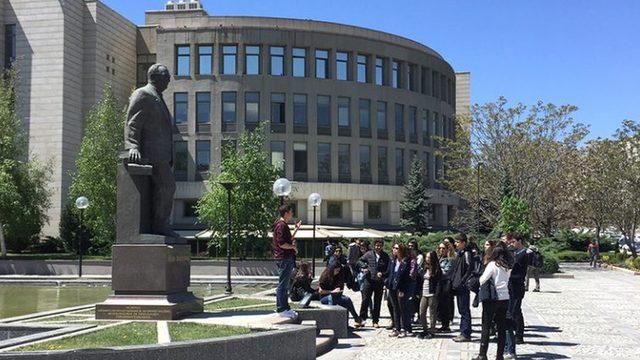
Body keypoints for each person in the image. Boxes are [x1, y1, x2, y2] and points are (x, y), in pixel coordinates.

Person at [124, 64, 178, 237]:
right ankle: (160, 226)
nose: (169, 81)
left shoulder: (158, 97)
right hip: (151, 154)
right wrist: (132, 146)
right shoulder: (143, 94)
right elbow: (132, 123)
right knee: (168, 186)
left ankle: (159, 226)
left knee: (166, 188)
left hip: (161, 156)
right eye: (166, 77)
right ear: (155, 77)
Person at [472, 246, 512, 360]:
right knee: (501, 328)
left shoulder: (492, 265)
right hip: (504, 298)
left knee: (486, 326)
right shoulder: (507, 266)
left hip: (493, 298)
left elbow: (482, 279)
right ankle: (499, 356)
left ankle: (482, 354)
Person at [272, 205, 302, 318]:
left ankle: (285, 307)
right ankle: (281, 309)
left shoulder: (282, 225)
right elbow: (281, 243)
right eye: (291, 212)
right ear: (286, 213)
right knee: (283, 285)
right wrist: (293, 248)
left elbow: (286, 240)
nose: (292, 214)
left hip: (285, 257)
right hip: (284, 258)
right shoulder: (281, 225)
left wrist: (295, 231)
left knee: (285, 284)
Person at [504, 232, 528, 358]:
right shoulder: (514, 252)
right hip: (510, 287)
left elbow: (513, 266)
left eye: (513, 242)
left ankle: (511, 349)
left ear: (519, 241)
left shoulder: (523, 253)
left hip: (516, 288)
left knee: (511, 317)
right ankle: (507, 346)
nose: (511, 244)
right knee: (510, 315)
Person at [318, 262, 364, 328]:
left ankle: (346, 325)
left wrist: (339, 291)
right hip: (324, 297)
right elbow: (321, 291)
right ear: (332, 269)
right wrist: (332, 291)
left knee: (346, 303)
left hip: (335, 296)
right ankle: (356, 318)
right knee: (347, 300)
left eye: (339, 270)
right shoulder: (325, 276)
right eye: (336, 270)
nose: (338, 272)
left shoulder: (338, 276)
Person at [357, 238, 390, 328]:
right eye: (376, 245)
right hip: (368, 280)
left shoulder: (385, 256)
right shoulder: (369, 254)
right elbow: (359, 261)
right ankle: (362, 319)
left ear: (382, 246)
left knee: (377, 302)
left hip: (379, 282)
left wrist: (382, 274)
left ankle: (375, 320)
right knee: (365, 300)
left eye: (379, 245)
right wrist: (364, 267)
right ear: (374, 246)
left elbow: (388, 269)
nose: (378, 247)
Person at [386, 243, 416, 337]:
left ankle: (406, 329)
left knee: (403, 309)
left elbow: (406, 277)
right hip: (392, 287)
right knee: (395, 309)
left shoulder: (405, 262)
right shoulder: (392, 260)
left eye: (397, 248)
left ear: (401, 250)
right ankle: (397, 328)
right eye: (394, 248)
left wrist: (402, 290)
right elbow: (389, 273)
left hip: (401, 288)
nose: (395, 250)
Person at [451, 233, 475, 342]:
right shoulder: (460, 253)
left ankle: (466, 333)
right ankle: (463, 331)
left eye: (458, 242)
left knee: (464, 310)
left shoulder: (467, 253)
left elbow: (470, 268)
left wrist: (463, 281)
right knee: (461, 310)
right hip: (458, 286)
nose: (456, 244)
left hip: (463, 286)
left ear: (464, 243)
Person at [418, 251, 441, 339]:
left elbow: (439, 283)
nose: (427, 259)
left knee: (432, 313)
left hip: (432, 293)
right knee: (422, 312)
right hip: (424, 293)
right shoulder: (424, 268)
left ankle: (432, 330)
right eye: (426, 257)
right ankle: (425, 329)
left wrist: (436, 293)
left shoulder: (437, 269)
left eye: (429, 257)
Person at [437, 242, 455, 332]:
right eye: (440, 248)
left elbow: (446, 272)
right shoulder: (439, 258)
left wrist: (436, 271)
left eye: (443, 248)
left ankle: (446, 325)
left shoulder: (450, 259)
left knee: (445, 305)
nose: (441, 250)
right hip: (439, 284)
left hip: (446, 284)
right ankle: (443, 324)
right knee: (440, 306)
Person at [408, 239, 424, 324]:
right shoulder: (407, 255)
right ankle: (411, 316)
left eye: (412, 246)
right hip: (409, 280)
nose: (410, 247)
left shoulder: (419, 256)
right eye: (409, 246)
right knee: (410, 299)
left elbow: (416, 267)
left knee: (417, 299)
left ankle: (419, 316)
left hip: (417, 280)